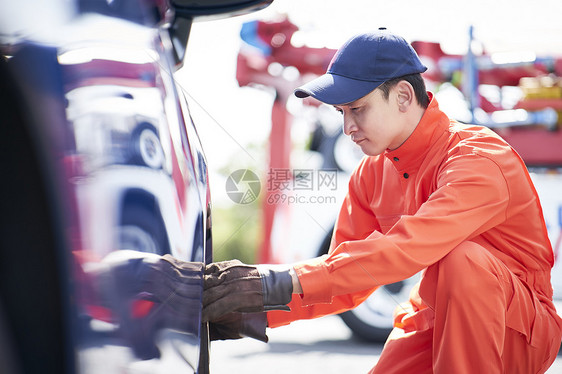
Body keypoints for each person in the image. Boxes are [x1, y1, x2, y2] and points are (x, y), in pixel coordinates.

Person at [202, 28, 562, 373]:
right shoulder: (371, 174)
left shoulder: (477, 158)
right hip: (436, 317)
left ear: (404, 96)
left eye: (357, 109)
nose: (347, 128)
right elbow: (346, 278)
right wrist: (250, 311)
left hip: (518, 329)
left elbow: (407, 248)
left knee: (461, 260)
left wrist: (274, 281)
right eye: (341, 113)